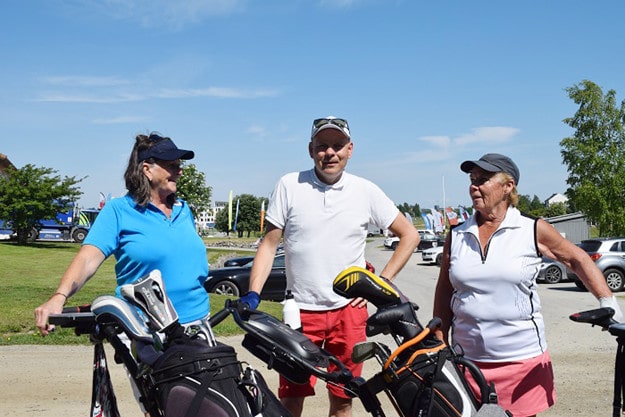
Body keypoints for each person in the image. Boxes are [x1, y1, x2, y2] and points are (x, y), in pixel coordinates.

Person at [238, 116, 420, 417]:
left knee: (344, 398)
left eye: (338, 146)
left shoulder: (366, 191)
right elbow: (269, 245)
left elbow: (409, 236)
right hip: (300, 312)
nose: (330, 153)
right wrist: (254, 293)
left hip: (348, 313)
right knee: (291, 398)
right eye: (322, 146)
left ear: (350, 149)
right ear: (311, 150)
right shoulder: (289, 185)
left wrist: (381, 283)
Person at [432, 153, 623, 417]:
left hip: (520, 362)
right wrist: (439, 340)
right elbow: (445, 290)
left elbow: (578, 259)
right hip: (467, 361)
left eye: (484, 179)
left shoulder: (531, 228)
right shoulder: (457, 235)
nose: (474, 186)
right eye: (472, 179)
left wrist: (609, 303)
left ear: (508, 187)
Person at [34, 132, 213, 414]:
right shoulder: (119, 210)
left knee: (211, 407)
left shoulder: (184, 209)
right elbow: (88, 259)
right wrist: (59, 296)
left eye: (180, 164)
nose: (179, 170)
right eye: (172, 164)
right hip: (149, 334)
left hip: (199, 328)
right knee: (168, 408)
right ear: (146, 168)